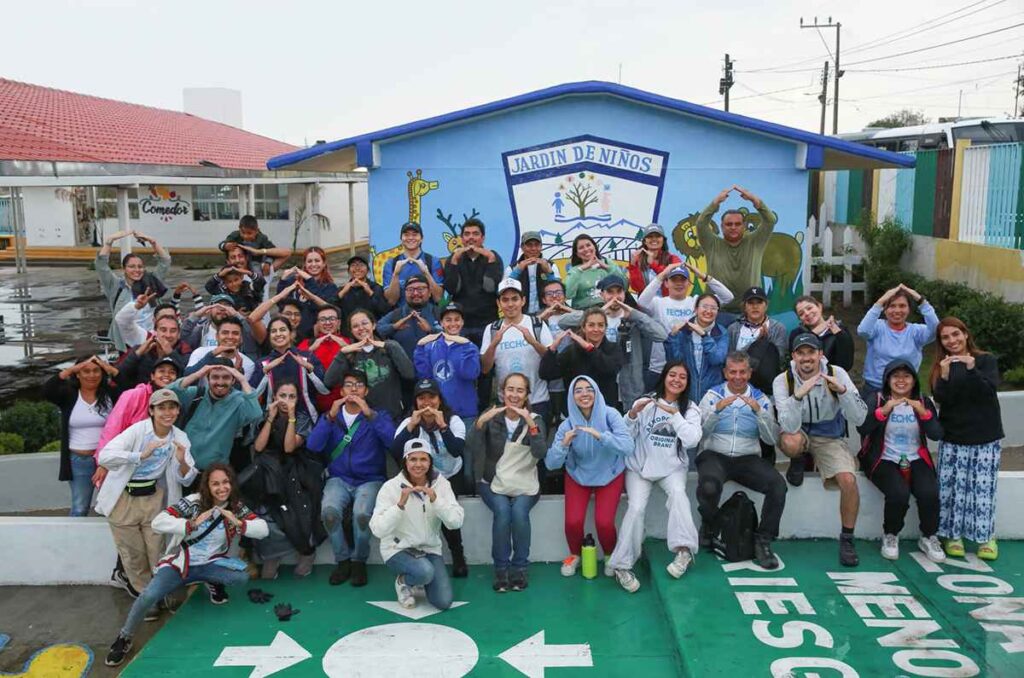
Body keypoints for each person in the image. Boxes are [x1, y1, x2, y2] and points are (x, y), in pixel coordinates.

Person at [104, 463, 268, 668]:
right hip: (181, 564)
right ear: (207, 486)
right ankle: (124, 637)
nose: (221, 488)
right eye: (215, 483)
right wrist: (190, 524)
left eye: (226, 482)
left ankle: (213, 582)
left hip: (210, 563)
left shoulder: (236, 506)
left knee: (241, 577)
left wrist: (238, 522)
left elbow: (263, 529)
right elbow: (158, 522)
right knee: (148, 595)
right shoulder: (193, 502)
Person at [607, 361, 703, 593]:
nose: (677, 380)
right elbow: (624, 436)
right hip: (639, 468)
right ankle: (621, 566)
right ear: (664, 376)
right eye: (672, 375)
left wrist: (675, 415)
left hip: (672, 468)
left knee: (679, 496)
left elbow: (692, 440)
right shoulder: (646, 401)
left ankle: (684, 551)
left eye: (682, 377)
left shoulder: (690, 408)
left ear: (687, 382)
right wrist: (631, 414)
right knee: (636, 508)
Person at [774, 333, 868, 567]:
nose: (806, 358)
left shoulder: (837, 374)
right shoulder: (783, 380)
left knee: (848, 480)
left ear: (820, 354)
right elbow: (786, 425)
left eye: (811, 352)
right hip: (799, 431)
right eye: (800, 353)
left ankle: (847, 538)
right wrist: (798, 396)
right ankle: (799, 457)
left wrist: (844, 393)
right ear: (793, 356)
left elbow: (859, 417)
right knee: (790, 443)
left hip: (828, 435)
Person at [95, 389, 198, 600]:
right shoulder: (137, 431)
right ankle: (145, 597)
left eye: (172, 407)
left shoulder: (180, 437)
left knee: (158, 550)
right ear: (151, 410)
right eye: (161, 407)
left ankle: (159, 592)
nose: (167, 412)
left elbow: (187, 478)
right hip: (123, 499)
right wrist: (140, 455)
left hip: (154, 497)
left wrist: (182, 461)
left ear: (178, 410)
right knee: (133, 553)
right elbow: (105, 456)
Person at [307, 370, 396, 586]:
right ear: (341, 390)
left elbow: (393, 441)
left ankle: (359, 561)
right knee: (329, 512)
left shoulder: (378, 416)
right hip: (339, 477)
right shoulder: (331, 416)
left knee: (362, 514)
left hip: (370, 478)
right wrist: (329, 418)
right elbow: (313, 445)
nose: (353, 389)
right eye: (348, 385)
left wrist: (370, 415)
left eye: (358, 385)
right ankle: (343, 559)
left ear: (366, 390)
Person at [697, 352, 785, 569]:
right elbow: (699, 434)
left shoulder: (761, 398)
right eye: (733, 372)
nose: (738, 377)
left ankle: (762, 540)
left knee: (778, 486)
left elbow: (770, 438)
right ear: (725, 372)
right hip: (715, 454)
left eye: (742, 372)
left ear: (749, 372)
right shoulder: (711, 395)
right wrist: (717, 412)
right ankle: (709, 524)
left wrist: (759, 414)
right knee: (709, 486)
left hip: (747, 458)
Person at [930, 317, 1004, 561]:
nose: (952, 340)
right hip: (954, 436)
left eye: (955, 334)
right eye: (945, 337)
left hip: (986, 436)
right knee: (952, 490)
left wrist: (972, 369)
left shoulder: (985, 360)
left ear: (965, 333)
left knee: (982, 490)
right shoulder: (942, 365)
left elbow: (987, 391)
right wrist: (945, 376)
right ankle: (952, 535)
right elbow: (942, 399)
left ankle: (986, 537)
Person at [857, 360, 945, 563]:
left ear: (914, 380)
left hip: (915, 457)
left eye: (906, 376)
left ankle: (929, 536)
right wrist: (884, 411)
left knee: (929, 493)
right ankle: (890, 535)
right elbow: (863, 428)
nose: (901, 381)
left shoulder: (922, 401)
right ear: (888, 380)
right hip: (884, 458)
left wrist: (924, 414)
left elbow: (936, 434)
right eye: (896, 376)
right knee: (898, 493)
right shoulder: (877, 399)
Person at [545, 376, 633, 577]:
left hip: (610, 474)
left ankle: (611, 555)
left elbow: (628, 447)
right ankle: (575, 554)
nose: (584, 394)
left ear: (596, 392)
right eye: (578, 390)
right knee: (573, 522)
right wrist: (563, 445)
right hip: (579, 476)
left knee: (603, 522)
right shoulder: (567, 425)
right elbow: (551, 464)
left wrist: (601, 436)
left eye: (589, 389)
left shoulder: (611, 415)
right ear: (572, 396)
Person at [471, 373, 547, 592]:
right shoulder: (491, 415)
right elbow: (471, 448)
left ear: (527, 395)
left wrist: (532, 424)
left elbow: (540, 453)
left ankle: (520, 568)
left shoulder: (536, 418)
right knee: (503, 512)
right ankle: (501, 569)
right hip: (491, 481)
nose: (514, 395)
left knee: (519, 513)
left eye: (520, 390)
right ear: (502, 392)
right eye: (510, 389)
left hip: (525, 482)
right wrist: (480, 423)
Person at [369, 438, 465, 611]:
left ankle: (418, 578)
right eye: (413, 459)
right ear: (405, 461)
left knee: (443, 602)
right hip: (398, 550)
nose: (418, 465)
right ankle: (403, 581)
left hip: (429, 549)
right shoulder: (390, 487)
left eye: (423, 459)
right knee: (424, 572)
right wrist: (399, 506)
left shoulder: (441, 484)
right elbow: (378, 529)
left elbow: (455, 522)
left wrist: (436, 500)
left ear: (430, 461)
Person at [247, 381, 325, 580]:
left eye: (292, 397)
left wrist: (290, 418)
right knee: (265, 511)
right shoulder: (265, 417)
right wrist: (271, 419)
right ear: (275, 397)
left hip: (295, 468)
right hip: (268, 469)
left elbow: (290, 447)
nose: (286, 401)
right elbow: (259, 446)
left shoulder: (302, 418)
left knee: (299, 510)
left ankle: (306, 552)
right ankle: (271, 556)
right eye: (282, 396)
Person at [391, 380, 469, 577]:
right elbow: (395, 451)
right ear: (415, 402)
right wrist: (411, 426)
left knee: (445, 512)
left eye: (431, 397)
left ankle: (458, 555)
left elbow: (456, 450)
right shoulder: (408, 423)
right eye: (421, 398)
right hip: (421, 478)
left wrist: (442, 425)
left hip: (451, 475)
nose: (427, 402)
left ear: (439, 399)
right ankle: (422, 556)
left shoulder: (453, 421)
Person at [557, 274, 668, 409]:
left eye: (619, 292)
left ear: (624, 294)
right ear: (602, 295)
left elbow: (661, 335)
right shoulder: (595, 319)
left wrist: (634, 314)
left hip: (629, 388)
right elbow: (562, 322)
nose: (615, 296)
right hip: (599, 387)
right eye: (610, 292)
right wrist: (598, 313)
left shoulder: (633, 319)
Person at [786, 294, 856, 486]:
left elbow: (846, 363)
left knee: (827, 434)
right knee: (801, 429)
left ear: (819, 306)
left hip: (829, 390)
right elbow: (793, 362)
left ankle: (829, 466)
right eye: (801, 313)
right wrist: (818, 332)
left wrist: (839, 335)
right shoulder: (796, 334)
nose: (807, 314)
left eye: (810, 308)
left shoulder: (839, 330)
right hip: (805, 388)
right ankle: (798, 460)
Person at [43, 356, 121, 516]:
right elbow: (47, 389)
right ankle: (72, 540)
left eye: (96, 371)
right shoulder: (68, 395)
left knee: (114, 507)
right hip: (79, 461)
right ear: (78, 374)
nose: (91, 375)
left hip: (107, 461)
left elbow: (128, 383)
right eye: (86, 371)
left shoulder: (110, 395)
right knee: (80, 507)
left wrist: (107, 367)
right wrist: (72, 369)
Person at [638, 263, 734, 392]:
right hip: (659, 367)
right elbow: (641, 302)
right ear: (666, 283)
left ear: (689, 283)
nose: (679, 284)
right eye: (674, 280)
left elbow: (728, 297)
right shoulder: (657, 302)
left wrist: (702, 275)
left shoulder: (695, 302)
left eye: (683, 280)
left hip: (685, 369)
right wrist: (662, 274)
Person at [414, 303, 482, 481]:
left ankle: (469, 493)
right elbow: (424, 376)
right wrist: (420, 348)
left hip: (465, 412)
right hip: (439, 413)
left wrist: (466, 347)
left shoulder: (470, 346)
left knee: (467, 459)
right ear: (441, 323)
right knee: (439, 459)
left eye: (457, 319)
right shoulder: (431, 346)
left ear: (462, 322)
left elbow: (470, 373)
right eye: (448, 320)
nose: (453, 323)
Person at [167, 360, 264, 472]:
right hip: (183, 466)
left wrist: (242, 379)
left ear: (233, 380)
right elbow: (168, 393)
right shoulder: (197, 394)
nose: (220, 382)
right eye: (215, 377)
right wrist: (197, 374)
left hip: (214, 472)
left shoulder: (239, 401)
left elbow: (256, 414)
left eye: (226, 377)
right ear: (207, 379)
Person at [481, 278, 555, 421]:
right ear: (498, 303)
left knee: (538, 442)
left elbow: (550, 359)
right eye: (505, 300)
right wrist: (493, 344)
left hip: (537, 400)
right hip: (506, 402)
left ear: (523, 300)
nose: (510, 304)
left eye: (515, 299)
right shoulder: (491, 329)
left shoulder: (537, 324)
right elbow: (485, 368)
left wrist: (532, 341)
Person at [695, 185, 776, 314]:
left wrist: (754, 199)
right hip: (716, 310)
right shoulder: (712, 243)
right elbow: (701, 224)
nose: (733, 227)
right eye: (729, 224)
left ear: (744, 226)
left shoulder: (755, 242)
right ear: (721, 227)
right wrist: (715, 203)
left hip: (749, 310)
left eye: (738, 224)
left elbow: (770, 221)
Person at [324, 309, 416, 421]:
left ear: (373, 325)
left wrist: (389, 346)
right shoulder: (349, 354)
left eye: (364, 323)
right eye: (355, 326)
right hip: (361, 419)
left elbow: (410, 374)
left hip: (392, 416)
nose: (361, 328)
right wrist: (342, 353)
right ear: (351, 331)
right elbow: (328, 382)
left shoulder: (390, 347)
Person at [857, 283, 939, 397]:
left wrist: (921, 301)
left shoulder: (916, 331)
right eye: (892, 306)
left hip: (906, 390)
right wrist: (880, 302)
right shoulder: (877, 327)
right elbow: (863, 331)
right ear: (884, 310)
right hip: (875, 389)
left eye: (902, 306)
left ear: (909, 309)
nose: (897, 310)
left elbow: (936, 329)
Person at [96, 230, 172, 351]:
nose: (137, 270)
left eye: (140, 266)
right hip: (126, 343)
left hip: (151, 339)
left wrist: (152, 242)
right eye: (132, 266)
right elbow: (101, 266)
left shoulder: (151, 282)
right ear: (124, 268)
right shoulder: (116, 286)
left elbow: (165, 261)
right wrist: (109, 242)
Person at [541, 308, 626, 410]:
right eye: (591, 325)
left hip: (605, 409)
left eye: (600, 325)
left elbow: (610, 368)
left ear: (605, 328)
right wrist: (552, 349)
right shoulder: (572, 351)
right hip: (577, 410)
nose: (596, 329)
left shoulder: (613, 348)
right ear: (583, 328)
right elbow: (546, 373)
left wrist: (589, 348)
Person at [250, 316, 328, 422]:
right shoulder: (263, 363)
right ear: (269, 336)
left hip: (305, 419)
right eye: (273, 331)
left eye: (282, 330)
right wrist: (266, 370)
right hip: (273, 420)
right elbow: (252, 396)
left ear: (291, 334)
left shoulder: (307, 357)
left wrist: (310, 369)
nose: (278, 334)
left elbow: (324, 390)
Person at [443, 218, 505, 348]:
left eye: (475, 234)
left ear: (482, 238)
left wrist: (491, 259)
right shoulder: (453, 259)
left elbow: (490, 287)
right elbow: (452, 289)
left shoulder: (493, 256)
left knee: (487, 364)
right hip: (461, 324)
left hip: (487, 322)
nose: (471, 238)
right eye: (467, 234)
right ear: (461, 238)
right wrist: (454, 261)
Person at [664, 293, 729, 402]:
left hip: (713, 395)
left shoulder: (721, 333)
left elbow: (716, 359)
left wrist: (704, 336)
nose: (708, 311)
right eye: (704, 307)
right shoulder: (683, 331)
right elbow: (674, 361)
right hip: (686, 393)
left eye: (713, 308)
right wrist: (673, 337)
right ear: (696, 309)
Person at [114, 309, 191, 388]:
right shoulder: (141, 350)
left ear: (178, 334)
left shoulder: (185, 352)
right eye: (163, 330)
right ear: (155, 332)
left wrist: (172, 354)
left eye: (173, 331)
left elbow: (187, 378)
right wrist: (137, 354)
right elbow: (119, 376)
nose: (168, 335)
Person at [298, 305, 351, 413]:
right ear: (317, 324)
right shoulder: (307, 344)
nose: (327, 323)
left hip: (346, 404)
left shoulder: (349, 342)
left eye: (331, 319)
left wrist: (346, 347)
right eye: (323, 319)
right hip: (314, 406)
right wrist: (311, 349)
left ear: (339, 323)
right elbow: (296, 366)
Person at [276, 247, 339, 336]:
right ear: (305, 264)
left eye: (317, 261)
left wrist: (310, 280)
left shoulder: (330, 287)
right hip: (294, 333)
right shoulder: (293, 282)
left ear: (324, 263)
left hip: (317, 334)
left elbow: (329, 309)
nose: (313, 264)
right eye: (309, 261)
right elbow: (280, 303)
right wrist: (283, 280)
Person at [378, 274, 442, 361]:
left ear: (430, 292)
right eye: (411, 290)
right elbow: (378, 329)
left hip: (434, 368)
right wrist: (394, 327)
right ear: (405, 293)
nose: (415, 293)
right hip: (404, 370)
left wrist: (431, 330)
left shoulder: (439, 313)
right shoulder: (396, 314)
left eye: (420, 289)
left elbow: (453, 334)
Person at [381, 222, 445, 306]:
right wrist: (396, 274)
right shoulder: (391, 264)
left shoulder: (433, 261)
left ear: (421, 238)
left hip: (428, 316)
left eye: (415, 235)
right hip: (401, 316)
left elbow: (438, 298)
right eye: (406, 235)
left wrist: (426, 273)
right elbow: (391, 301)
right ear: (401, 239)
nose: (410, 238)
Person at [563, 234, 627, 310]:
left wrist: (607, 268)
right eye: (581, 248)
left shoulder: (608, 263)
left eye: (588, 245)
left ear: (595, 247)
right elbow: (568, 294)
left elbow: (624, 285)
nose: (586, 249)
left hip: (611, 308)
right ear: (577, 254)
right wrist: (581, 269)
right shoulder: (575, 270)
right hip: (584, 311)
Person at [182, 295, 260, 358]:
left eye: (226, 306)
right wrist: (196, 315)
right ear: (209, 309)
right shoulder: (200, 331)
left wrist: (238, 316)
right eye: (217, 305)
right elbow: (182, 337)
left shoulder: (241, 331)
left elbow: (252, 336)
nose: (222, 309)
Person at [185, 316, 257, 382]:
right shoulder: (200, 352)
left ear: (241, 338)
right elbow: (186, 377)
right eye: (225, 333)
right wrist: (212, 354)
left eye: (235, 333)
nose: (230, 337)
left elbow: (240, 393)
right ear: (216, 336)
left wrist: (236, 372)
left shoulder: (248, 364)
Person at [505, 231, 560, 315]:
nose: (533, 248)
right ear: (522, 247)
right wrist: (517, 271)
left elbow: (559, 292)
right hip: (520, 315)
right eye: (529, 245)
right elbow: (504, 291)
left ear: (541, 246)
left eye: (537, 245)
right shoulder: (512, 268)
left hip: (546, 313)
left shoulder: (551, 266)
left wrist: (548, 273)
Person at [218, 214, 292, 274]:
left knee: (257, 273)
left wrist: (267, 263)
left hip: (255, 262)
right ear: (239, 229)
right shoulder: (235, 235)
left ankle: (258, 290)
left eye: (249, 233)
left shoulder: (262, 238)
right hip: (238, 265)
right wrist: (225, 246)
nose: (245, 236)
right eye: (243, 232)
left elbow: (272, 251)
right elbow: (222, 244)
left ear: (257, 231)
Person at [627, 223, 682, 296]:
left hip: (666, 304)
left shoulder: (673, 259)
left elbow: (676, 281)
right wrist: (633, 265)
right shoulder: (638, 260)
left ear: (663, 240)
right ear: (644, 241)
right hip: (645, 305)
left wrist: (653, 264)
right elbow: (637, 288)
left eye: (658, 236)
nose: (654, 239)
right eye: (650, 236)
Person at [336, 254, 390, 327]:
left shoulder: (376, 288)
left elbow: (384, 310)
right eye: (353, 265)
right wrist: (342, 292)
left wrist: (370, 293)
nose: (357, 268)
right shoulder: (341, 290)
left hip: (372, 332)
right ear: (348, 271)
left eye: (361, 265)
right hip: (348, 334)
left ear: (367, 270)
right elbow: (331, 309)